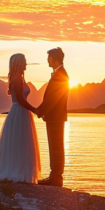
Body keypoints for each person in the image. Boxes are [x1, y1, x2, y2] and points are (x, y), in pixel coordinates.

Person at [0, 54, 41, 183]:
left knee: (21, 142)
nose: (26, 64)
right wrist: (35, 110)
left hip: (22, 113)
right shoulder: (17, 79)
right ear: (18, 63)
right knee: (19, 141)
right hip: (19, 112)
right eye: (24, 62)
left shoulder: (20, 78)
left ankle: (20, 168)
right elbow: (21, 100)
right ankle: (16, 170)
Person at [36, 47, 69, 187]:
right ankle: (54, 175)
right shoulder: (59, 73)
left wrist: (42, 110)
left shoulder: (61, 75)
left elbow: (54, 98)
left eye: (49, 57)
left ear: (55, 59)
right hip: (54, 116)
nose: (47, 60)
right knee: (54, 145)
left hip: (55, 117)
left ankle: (56, 178)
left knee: (56, 146)